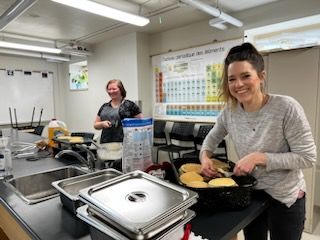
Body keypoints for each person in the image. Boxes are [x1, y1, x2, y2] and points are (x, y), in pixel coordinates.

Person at [200, 42, 316, 240]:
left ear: (261, 76)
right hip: (251, 194)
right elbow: (211, 140)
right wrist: (205, 157)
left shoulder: (286, 107)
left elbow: (307, 158)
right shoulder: (230, 112)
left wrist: (259, 158)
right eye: (232, 79)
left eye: (246, 76)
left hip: (286, 197)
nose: (238, 85)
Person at [94, 79, 143, 170]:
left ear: (121, 89)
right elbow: (95, 125)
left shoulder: (130, 105)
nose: (111, 91)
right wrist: (102, 123)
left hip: (125, 145)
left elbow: (141, 123)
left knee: (122, 171)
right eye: (109, 89)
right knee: (108, 171)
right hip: (107, 144)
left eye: (114, 89)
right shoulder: (104, 106)